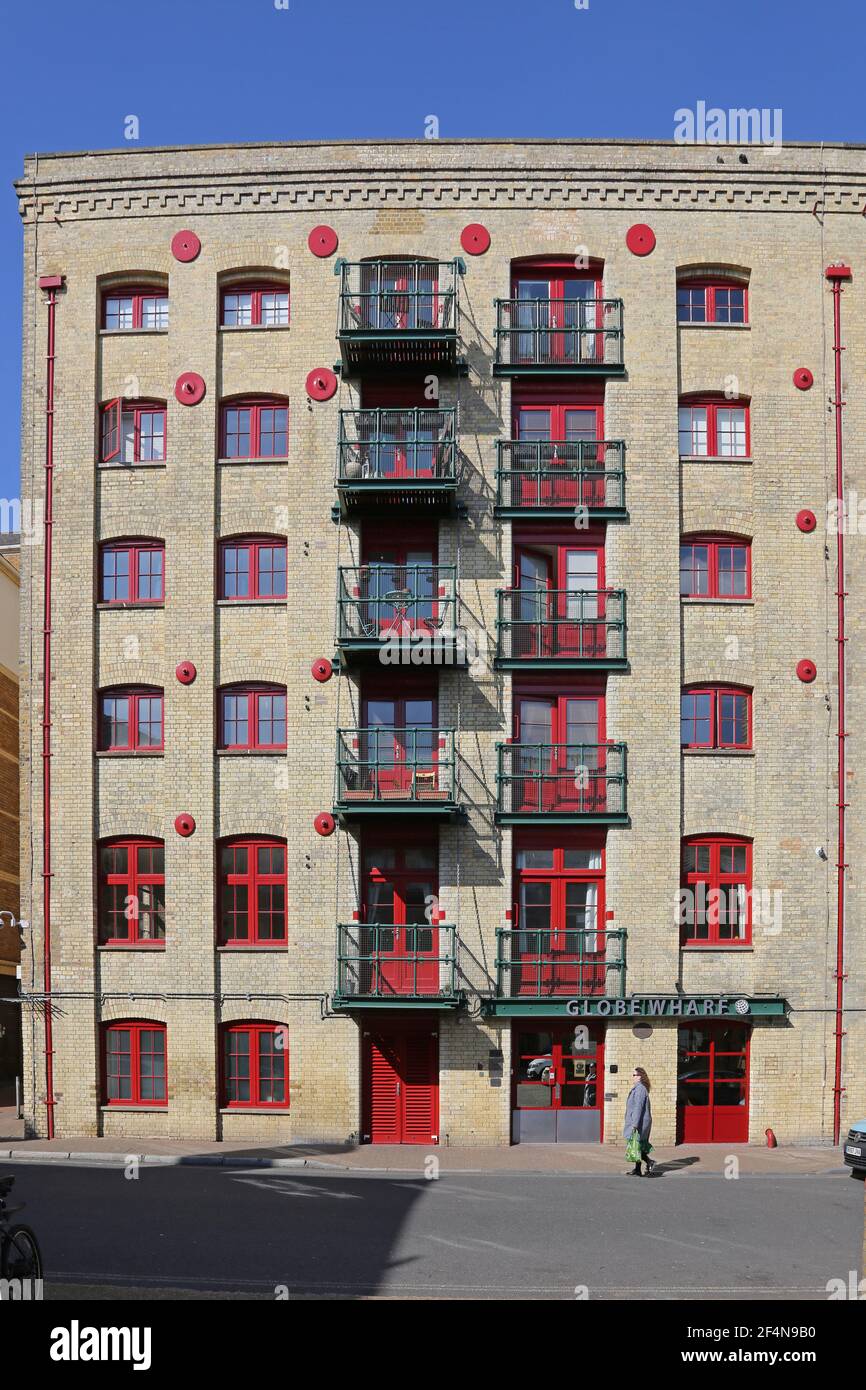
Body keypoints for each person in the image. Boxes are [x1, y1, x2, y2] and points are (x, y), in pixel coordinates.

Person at [623, 1066, 654, 1176]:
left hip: (639, 1122)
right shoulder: (638, 1088)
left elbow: (638, 1107)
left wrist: (635, 1124)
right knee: (636, 1144)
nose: (633, 1077)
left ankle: (650, 1161)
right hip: (638, 1121)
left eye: (634, 1075)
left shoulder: (640, 1089)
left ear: (640, 1077)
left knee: (637, 1144)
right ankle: (637, 1169)